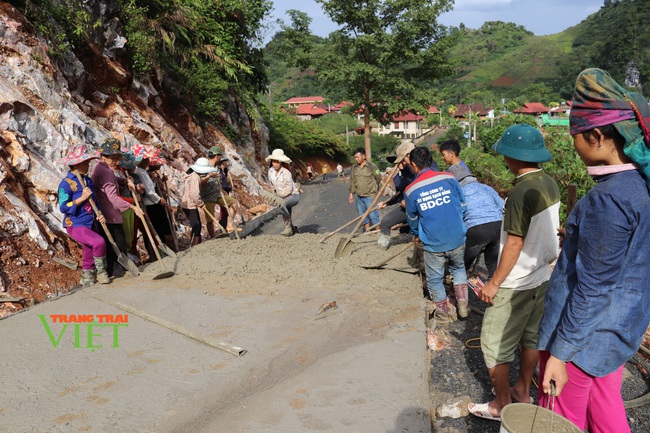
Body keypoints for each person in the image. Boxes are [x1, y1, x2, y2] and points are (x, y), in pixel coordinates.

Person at [536, 68, 650, 433]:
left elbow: (594, 287)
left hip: (581, 339)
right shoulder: (638, 187)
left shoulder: (610, 199)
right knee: (604, 411)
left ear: (598, 136)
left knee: (559, 420)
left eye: (576, 137)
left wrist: (560, 355)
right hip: (615, 332)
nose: (573, 144)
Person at [468, 124, 560, 421]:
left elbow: (516, 242)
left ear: (511, 156)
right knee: (531, 338)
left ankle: (501, 404)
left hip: (517, 281)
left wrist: (494, 283)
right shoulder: (549, 182)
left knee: (494, 344)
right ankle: (522, 389)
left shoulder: (521, 191)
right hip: (542, 275)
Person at [404, 146, 467, 322]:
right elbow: (462, 204)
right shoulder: (449, 177)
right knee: (459, 268)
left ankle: (443, 315)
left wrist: (416, 233)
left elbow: (412, 218)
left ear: (414, 165)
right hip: (457, 236)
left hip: (433, 242)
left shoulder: (411, 190)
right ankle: (463, 308)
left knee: (434, 279)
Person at [91, 138, 144, 277]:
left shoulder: (100, 168)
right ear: (103, 156)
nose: (115, 162)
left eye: (117, 158)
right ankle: (118, 273)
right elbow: (114, 199)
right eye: (112, 158)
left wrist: (125, 181)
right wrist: (133, 207)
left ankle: (115, 271)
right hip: (111, 215)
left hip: (104, 213)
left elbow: (113, 180)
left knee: (112, 245)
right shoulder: (106, 172)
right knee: (118, 245)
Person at [57, 145, 110, 286]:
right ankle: (102, 272)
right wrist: (81, 198)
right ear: (77, 165)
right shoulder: (66, 184)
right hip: (75, 224)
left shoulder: (87, 181)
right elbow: (63, 207)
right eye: (85, 163)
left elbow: (95, 201)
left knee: (89, 248)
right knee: (99, 242)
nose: (88, 166)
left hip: (90, 222)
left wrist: (99, 214)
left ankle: (87, 277)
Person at [447, 165, 503, 277]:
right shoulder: (486, 188)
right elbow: (503, 206)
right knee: (493, 263)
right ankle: (495, 289)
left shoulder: (457, 194)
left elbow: (455, 218)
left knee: (461, 264)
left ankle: (456, 290)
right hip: (498, 226)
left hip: (477, 229)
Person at [376, 143, 416, 249]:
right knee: (385, 221)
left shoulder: (416, 172)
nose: (400, 165)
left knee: (415, 231)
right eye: (397, 163)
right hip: (405, 208)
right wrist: (386, 203)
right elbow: (399, 195)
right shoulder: (398, 177)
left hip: (419, 209)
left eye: (402, 161)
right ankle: (382, 246)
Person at [266, 149, 300, 236]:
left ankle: (288, 228)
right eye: (274, 161)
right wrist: (274, 194)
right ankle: (292, 228)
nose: (276, 164)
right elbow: (272, 185)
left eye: (278, 162)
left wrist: (280, 197)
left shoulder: (286, 173)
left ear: (281, 162)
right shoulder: (270, 172)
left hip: (293, 195)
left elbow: (288, 189)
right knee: (286, 210)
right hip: (282, 197)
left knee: (282, 205)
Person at [182, 157, 216, 246]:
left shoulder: (193, 175)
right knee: (196, 225)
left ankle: (198, 244)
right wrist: (201, 204)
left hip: (189, 203)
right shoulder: (195, 178)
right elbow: (194, 194)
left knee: (198, 225)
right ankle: (194, 246)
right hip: (190, 204)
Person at [207, 146, 240, 232]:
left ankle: (229, 226)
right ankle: (214, 236)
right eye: (220, 157)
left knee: (233, 204)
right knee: (210, 219)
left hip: (219, 193)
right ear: (217, 157)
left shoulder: (221, 171)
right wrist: (228, 188)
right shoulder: (208, 167)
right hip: (209, 195)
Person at [348, 148, 382, 232]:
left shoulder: (372, 167)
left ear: (363, 156)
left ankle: (378, 231)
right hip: (359, 196)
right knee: (362, 215)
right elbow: (352, 181)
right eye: (355, 157)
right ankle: (368, 231)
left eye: (357, 157)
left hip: (370, 196)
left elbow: (378, 178)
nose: (356, 159)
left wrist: (374, 187)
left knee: (373, 215)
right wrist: (351, 194)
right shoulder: (354, 168)